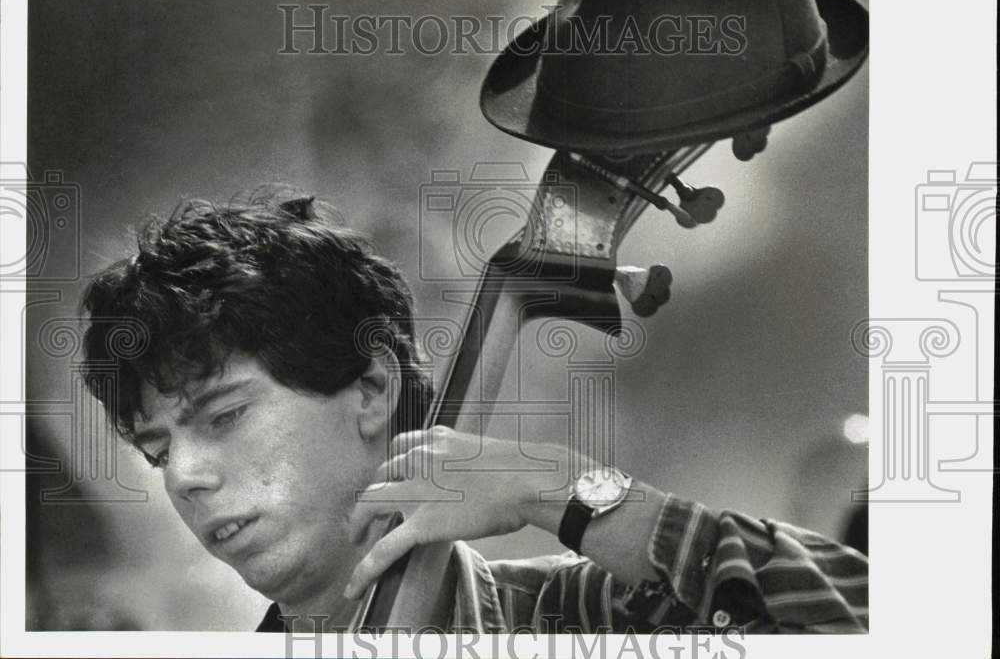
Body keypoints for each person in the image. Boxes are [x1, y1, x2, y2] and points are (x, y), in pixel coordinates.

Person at [80, 190, 868, 635]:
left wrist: (558, 488)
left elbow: (865, 614)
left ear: (372, 390)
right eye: (158, 450)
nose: (185, 475)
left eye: (222, 416)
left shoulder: (597, 618)